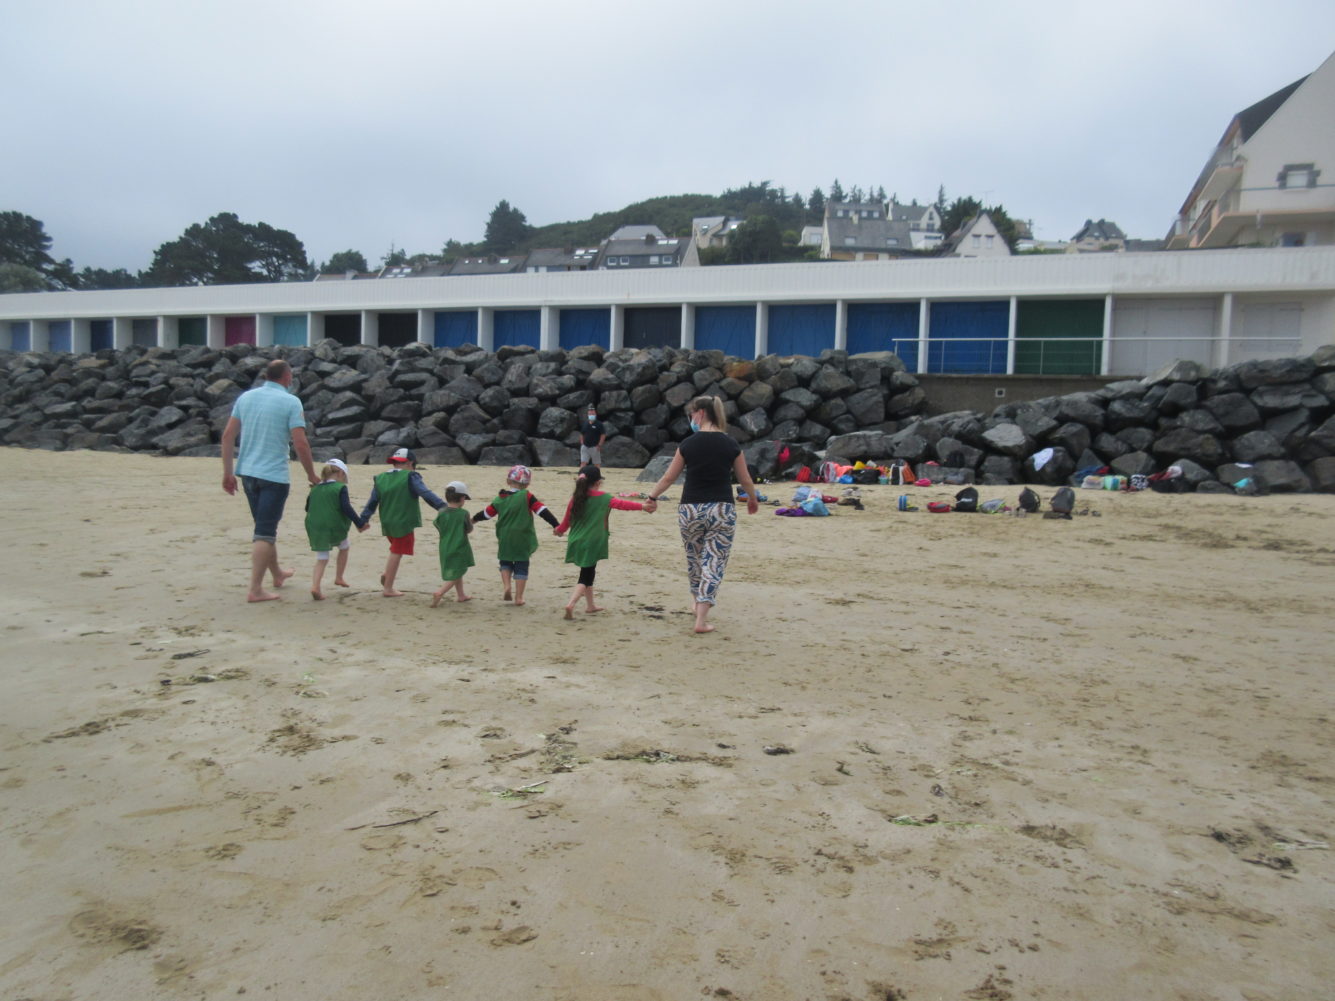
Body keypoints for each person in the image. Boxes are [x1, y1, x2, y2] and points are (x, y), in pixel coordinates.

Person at [644, 394, 760, 634]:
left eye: (691, 414)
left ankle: (697, 603)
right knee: (714, 561)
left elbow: (668, 477)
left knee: (695, 559)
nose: (690, 419)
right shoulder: (730, 444)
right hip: (721, 509)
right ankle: (701, 619)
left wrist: (652, 497)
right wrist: (752, 498)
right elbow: (744, 478)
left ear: (700, 413)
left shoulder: (688, 444)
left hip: (690, 508)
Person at [220, 359, 319, 603]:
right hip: (273, 476)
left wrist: (227, 472)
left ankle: (277, 573)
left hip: (248, 473)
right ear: (287, 377)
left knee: (264, 526)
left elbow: (227, 436)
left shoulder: (247, 398)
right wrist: (311, 475)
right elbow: (300, 443)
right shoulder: (290, 401)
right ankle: (255, 589)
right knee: (264, 531)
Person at [553, 464, 652, 620]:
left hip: (576, 540)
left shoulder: (576, 498)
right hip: (593, 541)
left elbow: (567, 521)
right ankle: (571, 603)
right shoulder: (604, 498)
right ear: (598, 482)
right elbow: (623, 505)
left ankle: (590, 606)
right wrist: (643, 506)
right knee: (586, 576)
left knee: (587, 570)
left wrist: (559, 530)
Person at [358, 447, 445, 597]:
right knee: (397, 552)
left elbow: (372, 502)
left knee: (396, 548)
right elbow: (425, 493)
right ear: (410, 463)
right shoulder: (410, 476)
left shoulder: (380, 478)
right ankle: (388, 588)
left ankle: (387, 574)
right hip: (403, 522)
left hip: (387, 522)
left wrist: (363, 520)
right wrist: (442, 507)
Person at [471, 464, 560, 606]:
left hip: (505, 537)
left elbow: (486, 514)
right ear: (527, 484)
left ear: (508, 481)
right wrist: (556, 525)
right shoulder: (527, 496)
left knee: (505, 561)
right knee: (521, 564)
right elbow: (542, 511)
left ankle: (507, 586)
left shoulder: (500, 499)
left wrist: (473, 520)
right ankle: (519, 597)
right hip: (522, 537)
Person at [304, 457, 369, 601]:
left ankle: (315, 586)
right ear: (340, 473)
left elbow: (307, 508)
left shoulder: (315, 488)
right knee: (344, 547)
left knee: (322, 557)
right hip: (333, 524)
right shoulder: (340, 488)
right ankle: (339, 577)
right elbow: (346, 508)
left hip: (313, 524)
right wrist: (360, 523)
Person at [431, 481, 475, 607]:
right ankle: (440, 592)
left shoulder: (442, 512)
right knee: (459, 571)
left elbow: (437, 525)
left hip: (445, 545)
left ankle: (461, 595)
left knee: (456, 570)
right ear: (462, 498)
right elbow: (469, 529)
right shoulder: (463, 513)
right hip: (460, 546)